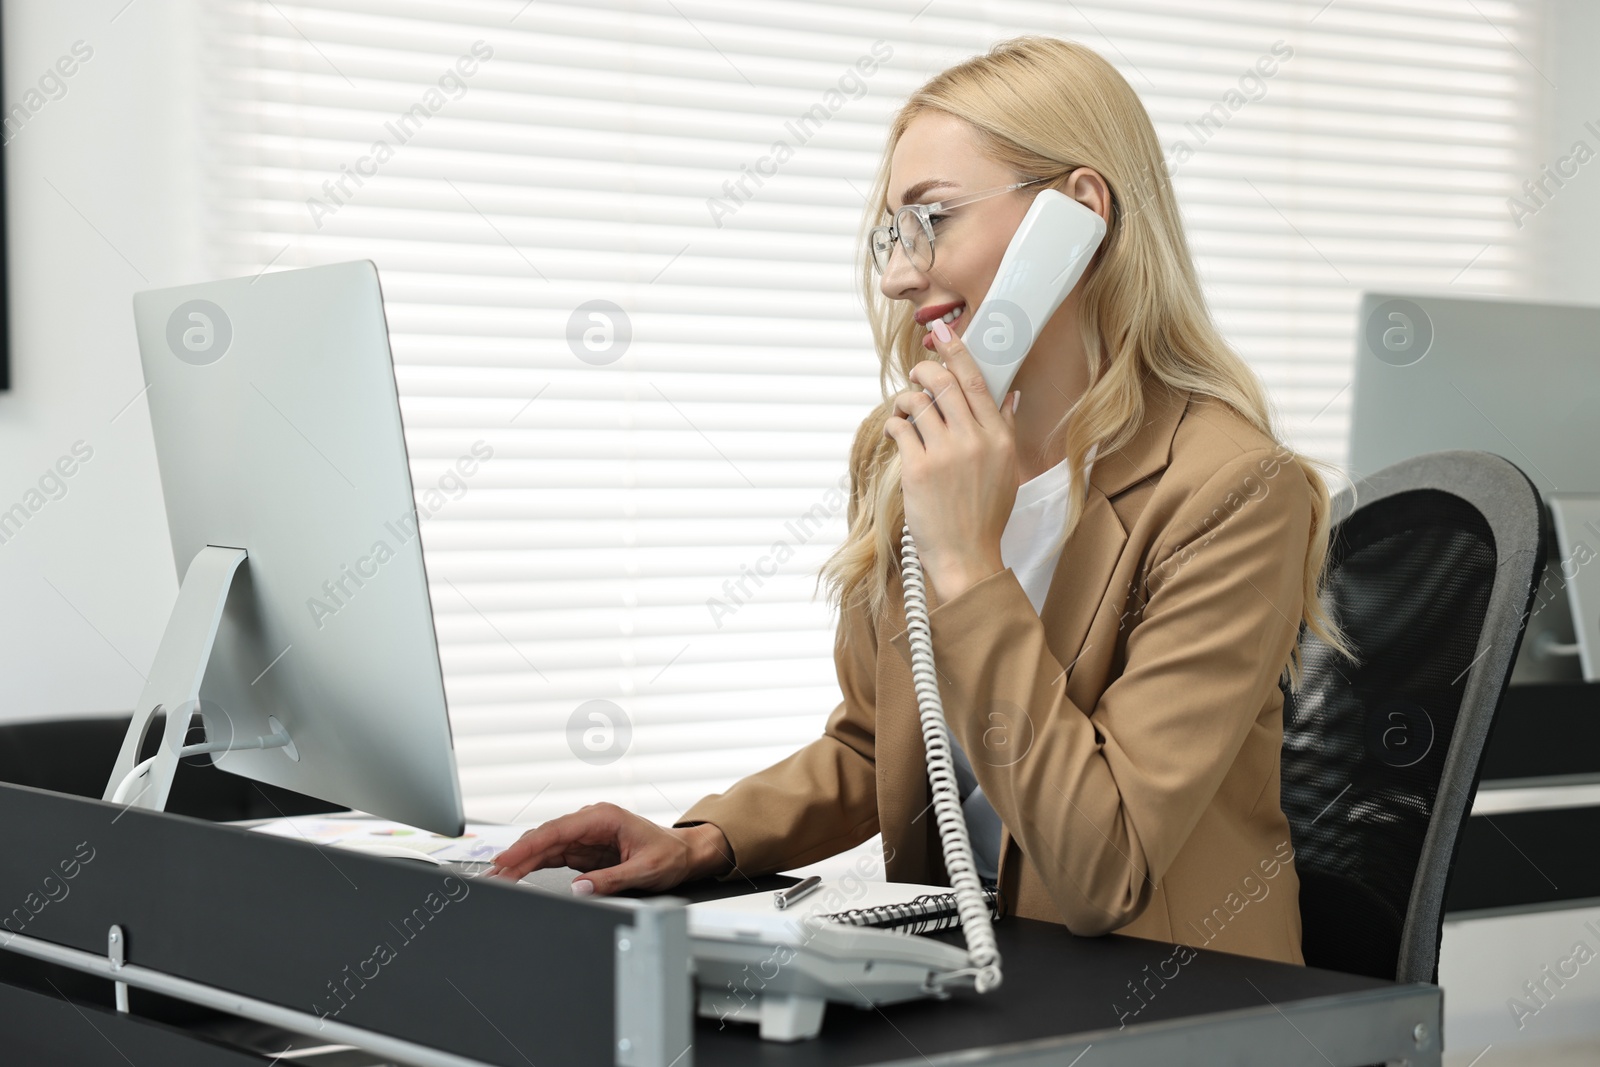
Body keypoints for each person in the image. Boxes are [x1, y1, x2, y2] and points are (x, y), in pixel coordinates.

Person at [485, 34, 1354, 966]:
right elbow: (882, 746)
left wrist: (970, 564)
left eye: (932, 219)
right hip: (978, 968)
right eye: (891, 237)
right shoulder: (910, 455)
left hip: (1168, 994)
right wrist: (706, 840)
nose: (899, 275)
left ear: (1078, 214)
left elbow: (1108, 866)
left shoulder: (1231, 490)